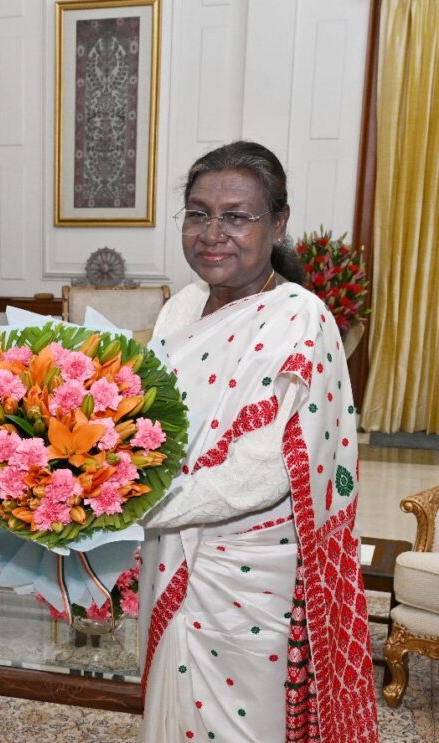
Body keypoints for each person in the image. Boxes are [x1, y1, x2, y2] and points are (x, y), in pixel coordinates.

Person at [137, 141, 378, 742]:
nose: (212, 233)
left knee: (244, 722)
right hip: (170, 550)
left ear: (277, 224)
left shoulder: (302, 319)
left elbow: (264, 469)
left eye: (236, 216)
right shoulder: (180, 310)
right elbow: (140, 427)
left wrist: (125, 501)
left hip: (251, 576)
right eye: (197, 213)